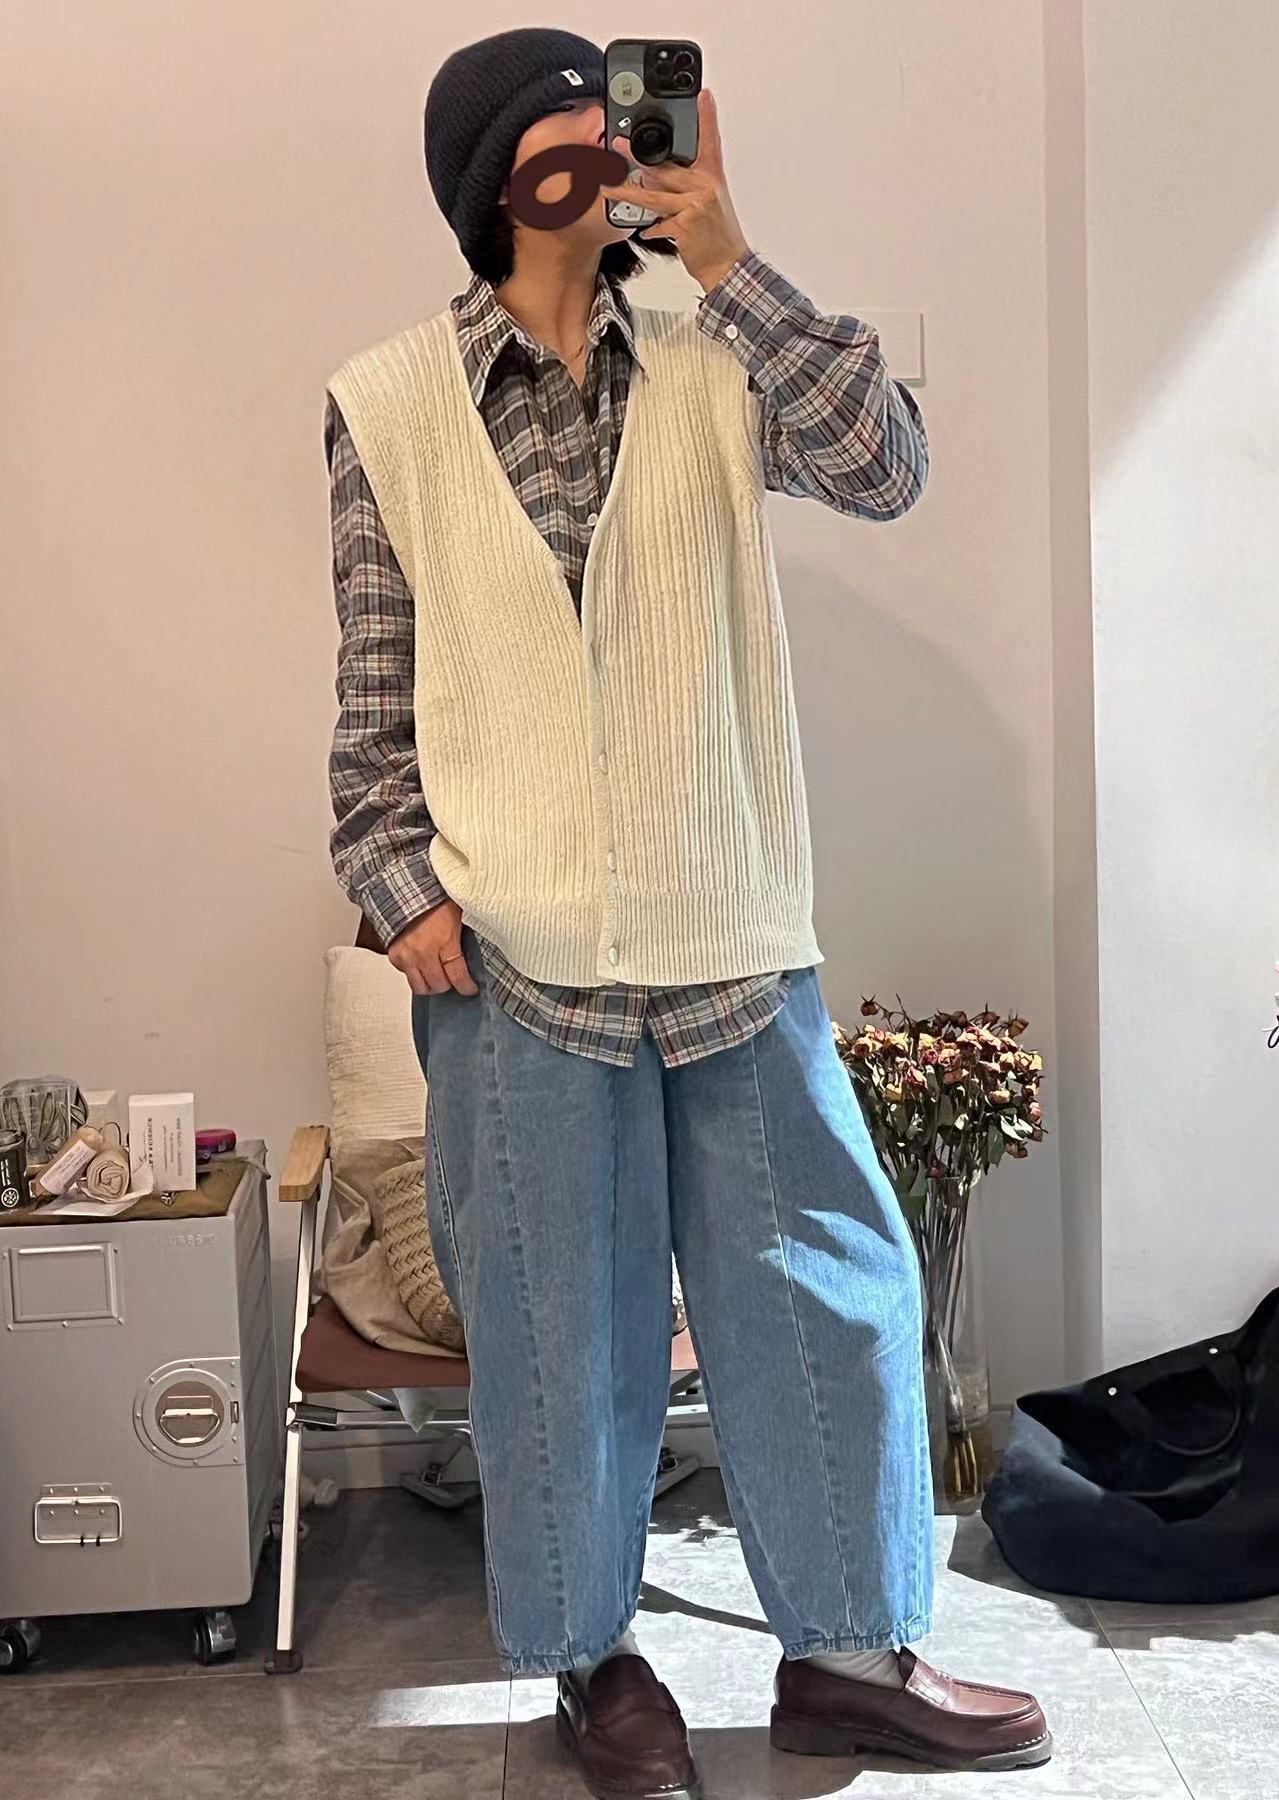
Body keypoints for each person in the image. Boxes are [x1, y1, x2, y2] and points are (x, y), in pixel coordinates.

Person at [326, 27, 1050, 1799]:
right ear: (501, 174)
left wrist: (726, 253)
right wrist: (398, 888)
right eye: (573, 123)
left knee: (825, 1297)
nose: (614, 143)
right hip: (510, 957)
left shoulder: (715, 350)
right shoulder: (387, 401)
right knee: (557, 1335)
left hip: (727, 924)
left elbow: (886, 465)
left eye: (622, 116)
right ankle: (593, 1665)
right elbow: (372, 688)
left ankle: (848, 1659)